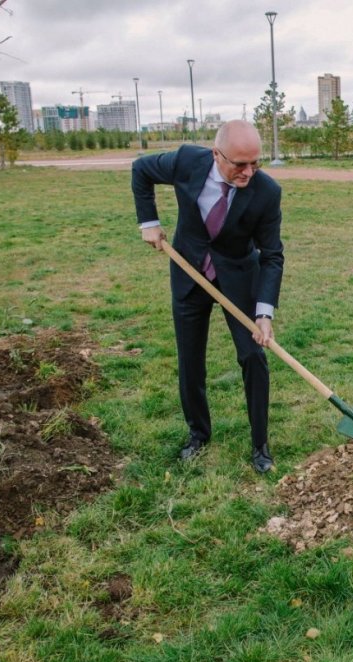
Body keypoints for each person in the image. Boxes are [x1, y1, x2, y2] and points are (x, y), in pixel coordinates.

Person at [131, 120, 284, 473]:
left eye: (255, 163)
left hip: (239, 278)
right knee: (190, 358)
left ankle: (260, 444)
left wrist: (264, 313)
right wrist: (148, 222)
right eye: (239, 164)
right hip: (187, 272)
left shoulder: (266, 192)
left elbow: (272, 255)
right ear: (217, 154)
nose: (249, 172)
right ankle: (198, 434)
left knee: (253, 358)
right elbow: (141, 170)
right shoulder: (187, 161)